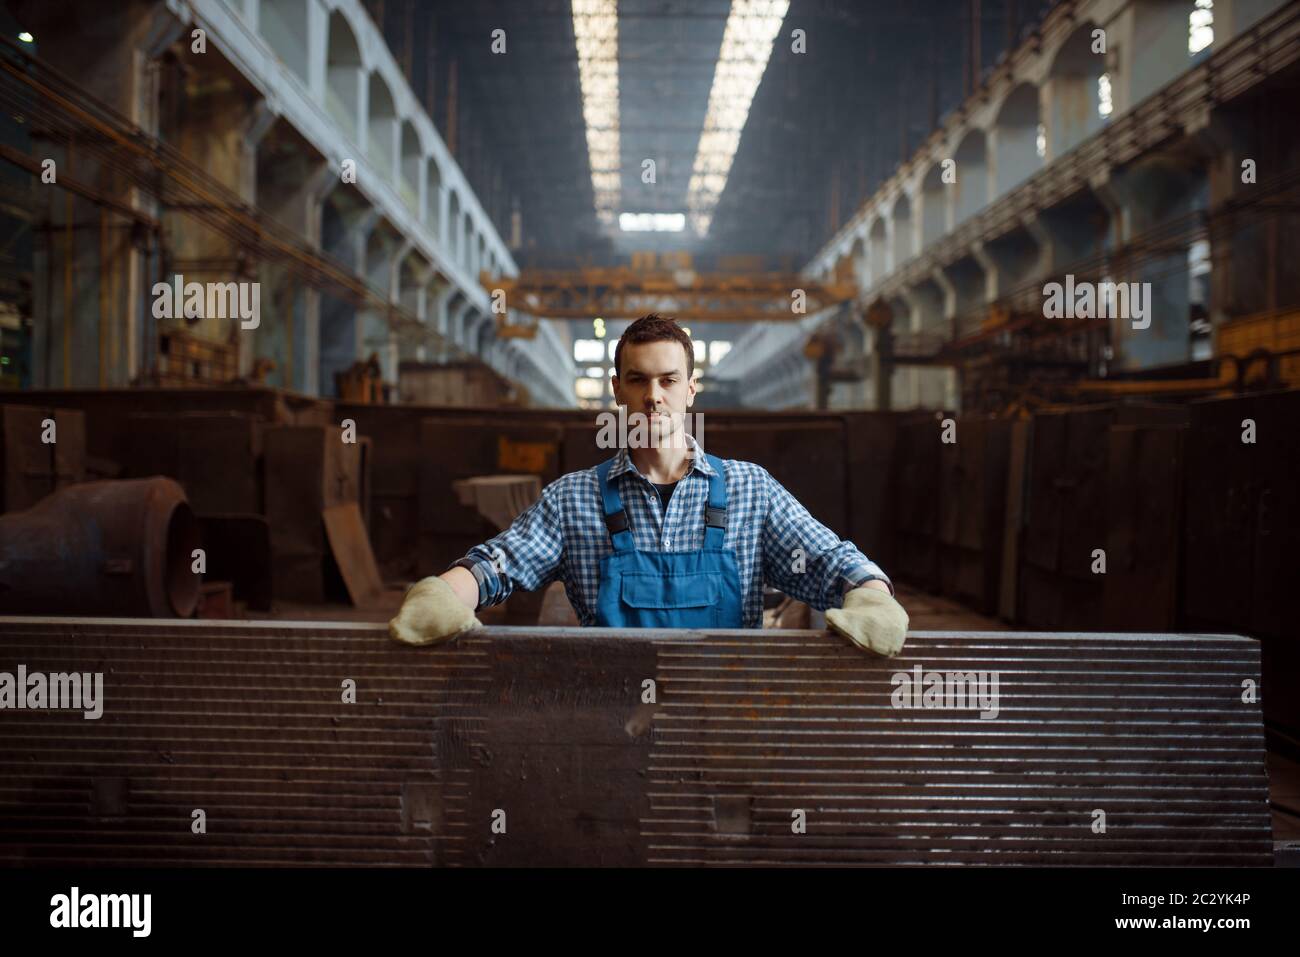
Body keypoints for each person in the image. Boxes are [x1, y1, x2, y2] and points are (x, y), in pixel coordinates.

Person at [389, 313, 908, 655]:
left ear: (690, 390)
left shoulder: (752, 492)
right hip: (611, 721)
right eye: (637, 380)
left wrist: (873, 596)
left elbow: (828, 562)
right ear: (617, 389)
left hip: (727, 712)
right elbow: (499, 563)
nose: (653, 397)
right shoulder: (576, 500)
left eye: (668, 380)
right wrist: (447, 592)